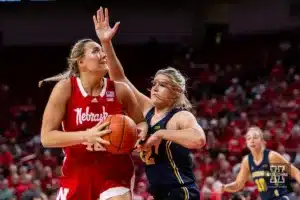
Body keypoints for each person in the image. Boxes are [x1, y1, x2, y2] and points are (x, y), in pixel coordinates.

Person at [93, 7, 206, 200]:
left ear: (176, 92)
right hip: (158, 193)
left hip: (181, 192)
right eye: (154, 83)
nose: (154, 88)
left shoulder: (180, 116)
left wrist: (160, 133)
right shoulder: (147, 109)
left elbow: (199, 139)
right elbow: (119, 79)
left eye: (162, 85)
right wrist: (106, 43)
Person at [39, 36, 147, 200]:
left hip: (115, 172)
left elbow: (140, 122)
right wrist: (86, 135)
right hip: (77, 173)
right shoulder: (66, 88)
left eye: (103, 51)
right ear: (80, 61)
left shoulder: (120, 90)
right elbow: (47, 137)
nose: (103, 55)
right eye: (96, 51)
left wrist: (138, 136)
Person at [221, 126, 300, 200]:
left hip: (283, 197)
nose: (252, 141)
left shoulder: (272, 157)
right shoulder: (247, 161)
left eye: (255, 138)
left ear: (262, 141)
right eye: (249, 138)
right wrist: (224, 187)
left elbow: (295, 172)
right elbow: (238, 185)